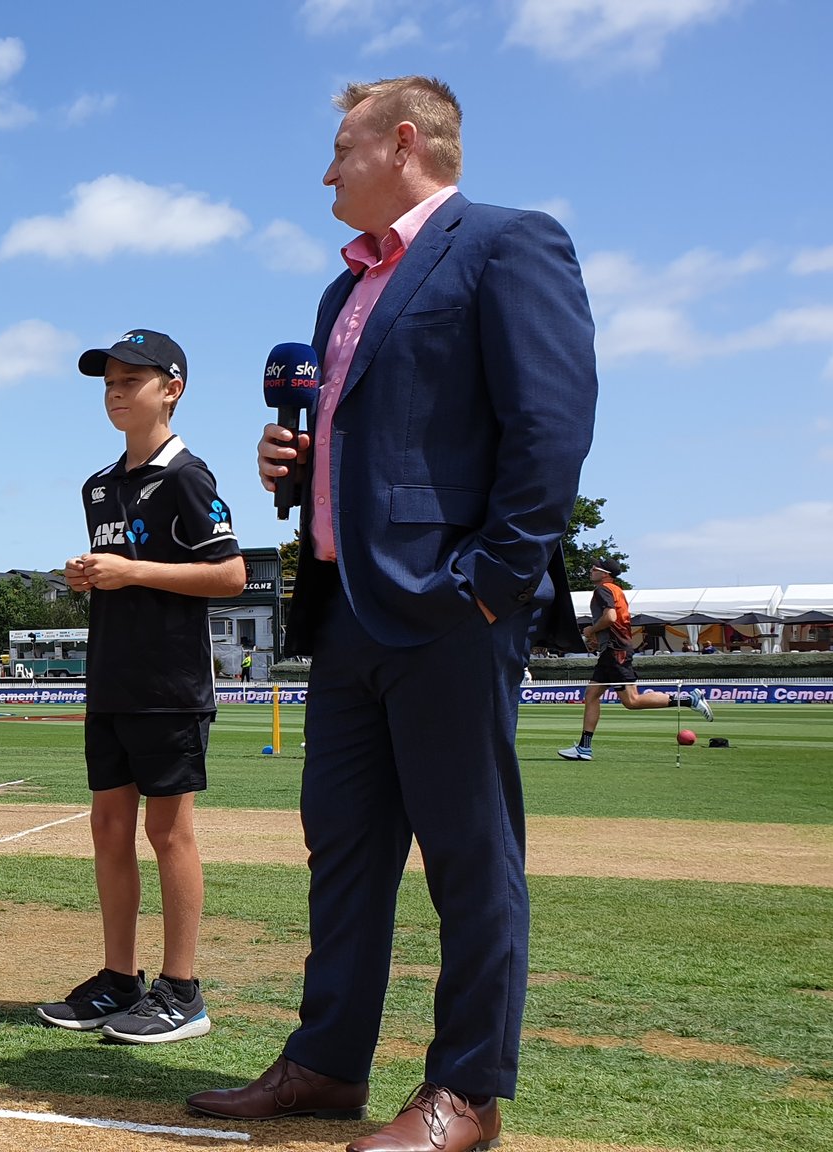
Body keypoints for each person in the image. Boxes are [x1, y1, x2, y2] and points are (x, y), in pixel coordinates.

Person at [187, 77, 597, 1152]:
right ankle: (326, 1067)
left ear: (402, 143)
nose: (324, 172)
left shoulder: (508, 245)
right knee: (344, 853)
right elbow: (376, 446)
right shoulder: (338, 297)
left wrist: (489, 583)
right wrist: (295, 463)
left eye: (338, 150)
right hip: (346, 613)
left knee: (469, 858)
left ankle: (466, 1092)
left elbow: (548, 426)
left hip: (449, 610)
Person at [36, 330, 244, 1045]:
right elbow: (123, 569)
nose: (116, 392)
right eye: (109, 382)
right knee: (107, 828)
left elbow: (230, 575)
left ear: (172, 388)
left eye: (132, 380)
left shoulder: (188, 476)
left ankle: (182, 990)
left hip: (170, 685)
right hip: (112, 682)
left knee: (168, 830)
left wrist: (133, 571)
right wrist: (90, 574)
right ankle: (119, 980)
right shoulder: (100, 485)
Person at [557, 563, 712, 760]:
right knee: (592, 694)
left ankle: (689, 700)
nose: (590, 572)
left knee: (632, 701)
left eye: (594, 569)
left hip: (615, 651)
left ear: (605, 575)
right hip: (612, 650)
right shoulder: (615, 590)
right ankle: (584, 748)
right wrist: (599, 638)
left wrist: (591, 631)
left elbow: (610, 617)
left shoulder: (603, 590)